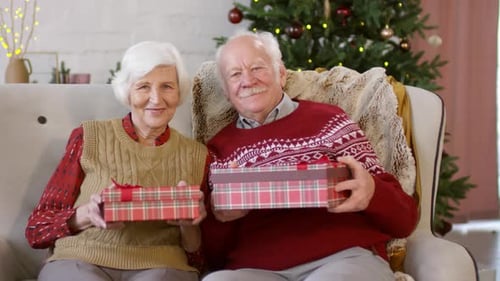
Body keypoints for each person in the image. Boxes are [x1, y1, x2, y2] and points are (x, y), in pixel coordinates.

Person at [200, 31, 419, 281]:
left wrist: (372, 191)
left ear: (281, 74)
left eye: (257, 68)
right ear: (227, 92)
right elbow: (214, 257)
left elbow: (404, 220)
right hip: (259, 269)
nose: (247, 80)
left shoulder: (330, 121)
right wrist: (220, 218)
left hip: (341, 259)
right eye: (235, 74)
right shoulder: (218, 150)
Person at [25, 41, 209, 281]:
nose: (156, 98)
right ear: (127, 92)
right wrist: (88, 215)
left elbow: (199, 258)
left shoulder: (198, 155)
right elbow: (36, 230)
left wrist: (189, 225)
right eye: (143, 86)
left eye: (167, 87)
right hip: (81, 260)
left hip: (161, 266)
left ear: (179, 93)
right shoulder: (88, 137)